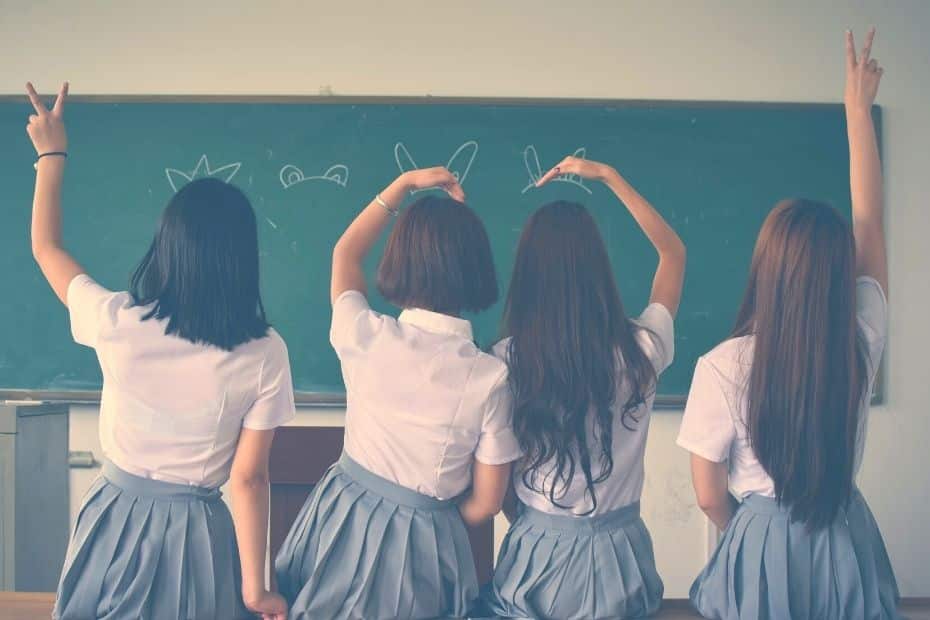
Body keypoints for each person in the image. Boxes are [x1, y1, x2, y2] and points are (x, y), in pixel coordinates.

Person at [26, 82, 294, 620]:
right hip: (199, 532)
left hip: (112, 517)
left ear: (168, 246)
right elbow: (248, 478)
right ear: (243, 260)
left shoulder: (119, 321)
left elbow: (46, 247)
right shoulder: (264, 351)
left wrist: (51, 155)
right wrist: (255, 590)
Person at [677, 28, 901, 619]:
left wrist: (752, 526)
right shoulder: (860, 339)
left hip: (758, 538)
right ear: (839, 275)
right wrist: (858, 115)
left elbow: (706, 495)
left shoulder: (723, 365)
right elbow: (870, 225)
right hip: (844, 533)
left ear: (766, 271)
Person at [484, 156, 686, 619]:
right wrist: (612, 176)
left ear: (527, 276)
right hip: (623, 553)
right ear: (600, 269)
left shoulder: (504, 363)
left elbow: (501, 478)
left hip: (536, 553)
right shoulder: (643, 348)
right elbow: (673, 253)